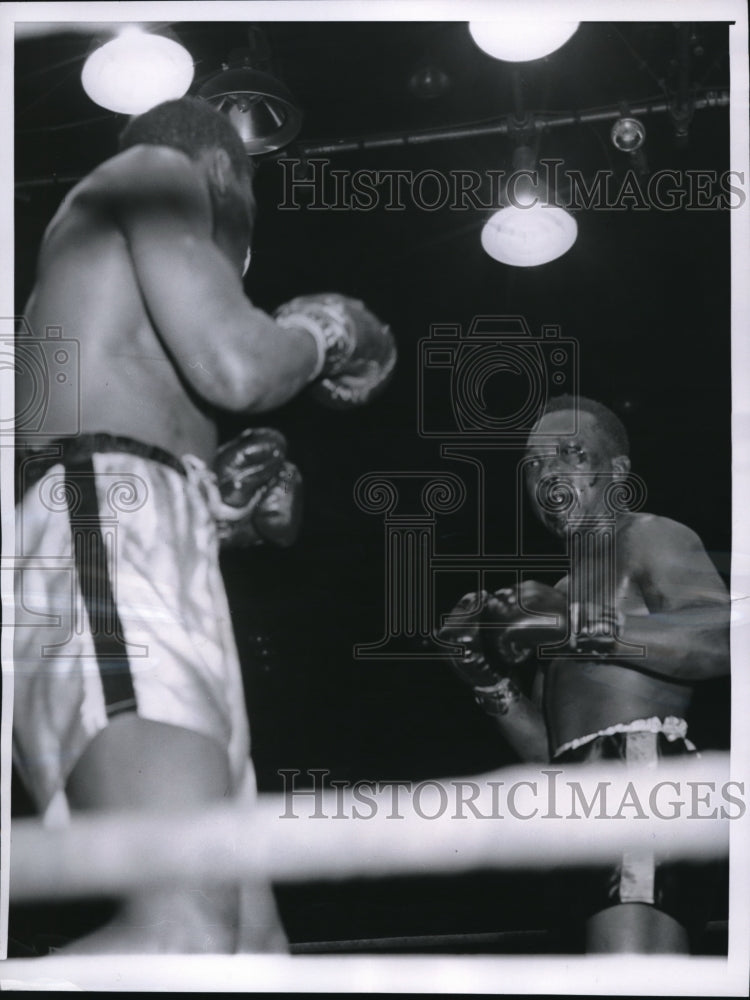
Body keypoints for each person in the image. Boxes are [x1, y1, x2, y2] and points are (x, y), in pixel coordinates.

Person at [13, 96, 396, 953]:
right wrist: (325, 330)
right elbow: (238, 366)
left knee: (251, 957)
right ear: (228, 181)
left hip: (117, 542)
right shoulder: (160, 172)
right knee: (182, 935)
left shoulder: (86, 286)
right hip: (102, 531)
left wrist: (222, 516)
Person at [439, 394, 729, 954]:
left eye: (569, 454)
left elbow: (724, 639)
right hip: (578, 794)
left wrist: (576, 627)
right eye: (536, 463)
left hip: (639, 777)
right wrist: (482, 679)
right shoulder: (563, 594)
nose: (549, 474)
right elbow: (555, 752)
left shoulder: (651, 536)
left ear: (616, 472)